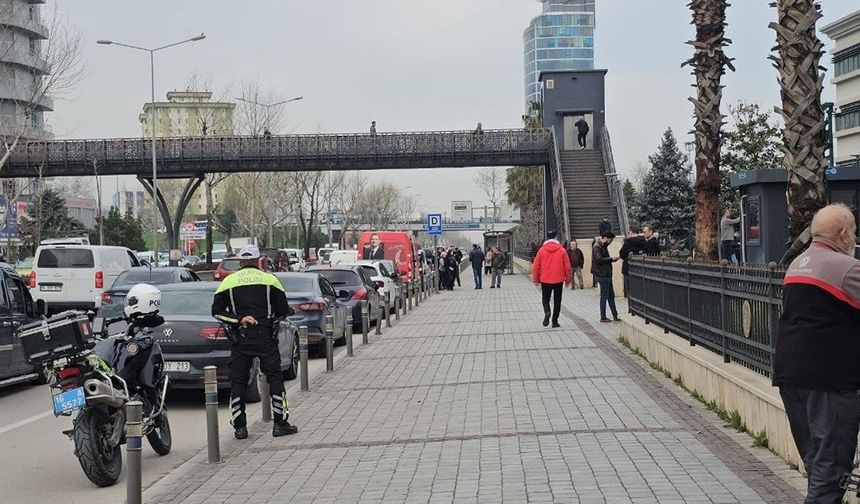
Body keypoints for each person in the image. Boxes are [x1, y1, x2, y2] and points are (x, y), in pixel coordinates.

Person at [773, 204, 860, 504]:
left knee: (818, 468)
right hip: (829, 382)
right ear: (844, 233)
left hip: (791, 377)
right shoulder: (846, 268)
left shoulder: (797, 264)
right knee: (830, 474)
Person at [211, 244, 298, 439]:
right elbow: (283, 310)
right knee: (274, 377)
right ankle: (280, 424)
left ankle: (240, 427)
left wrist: (239, 320)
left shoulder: (228, 282)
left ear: (240, 261)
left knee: (238, 381)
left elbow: (216, 311)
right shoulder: (270, 280)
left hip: (241, 337)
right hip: (265, 336)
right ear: (259, 260)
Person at [532, 231, 572, 328]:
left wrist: (536, 280)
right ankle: (555, 321)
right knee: (557, 301)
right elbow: (568, 267)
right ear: (555, 237)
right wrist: (568, 280)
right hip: (558, 279)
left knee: (545, 299)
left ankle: (547, 311)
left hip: (545, 280)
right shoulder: (562, 250)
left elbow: (536, 267)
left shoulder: (541, 250)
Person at [592, 232, 620, 323]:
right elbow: (599, 260)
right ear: (605, 238)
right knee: (604, 296)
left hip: (606, 274)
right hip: (602, 274)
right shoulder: (597, 246)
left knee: (611, 295)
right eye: (610, 240)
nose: (611, 242)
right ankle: (603, 317)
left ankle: (615, 315)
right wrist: (611, 259)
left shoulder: (602, 246)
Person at [619, 227, 646, 298]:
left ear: (631, 232)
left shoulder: (628, 242)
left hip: (628, 268)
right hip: (640, 269)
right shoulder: (643, 241)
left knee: (629, 291)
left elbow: (622, 254)